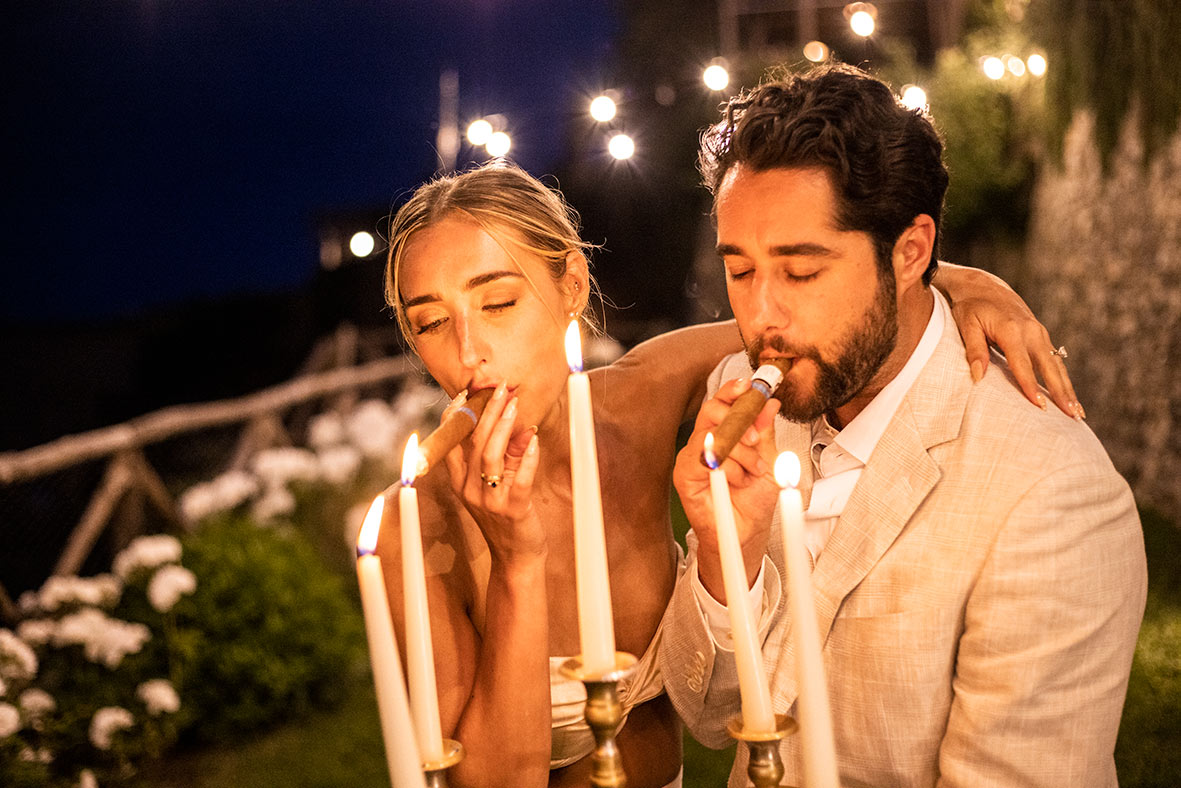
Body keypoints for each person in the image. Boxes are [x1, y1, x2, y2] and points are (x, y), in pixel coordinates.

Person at [376, 159, 1082, 787]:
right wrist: (516, 564)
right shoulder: (415, 528)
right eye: (430, 322)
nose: (468, 354)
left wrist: (962, 282)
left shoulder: (642, 398)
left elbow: (823, 317)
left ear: (570, 284)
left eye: (497, 303)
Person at [660, 64, 1147, 787]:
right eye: (740, 271)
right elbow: (707, 717)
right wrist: (723, 554)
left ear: (912, 251)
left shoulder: (1051, 495)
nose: (760, 316)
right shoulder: (740, 394)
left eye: (800, 273)